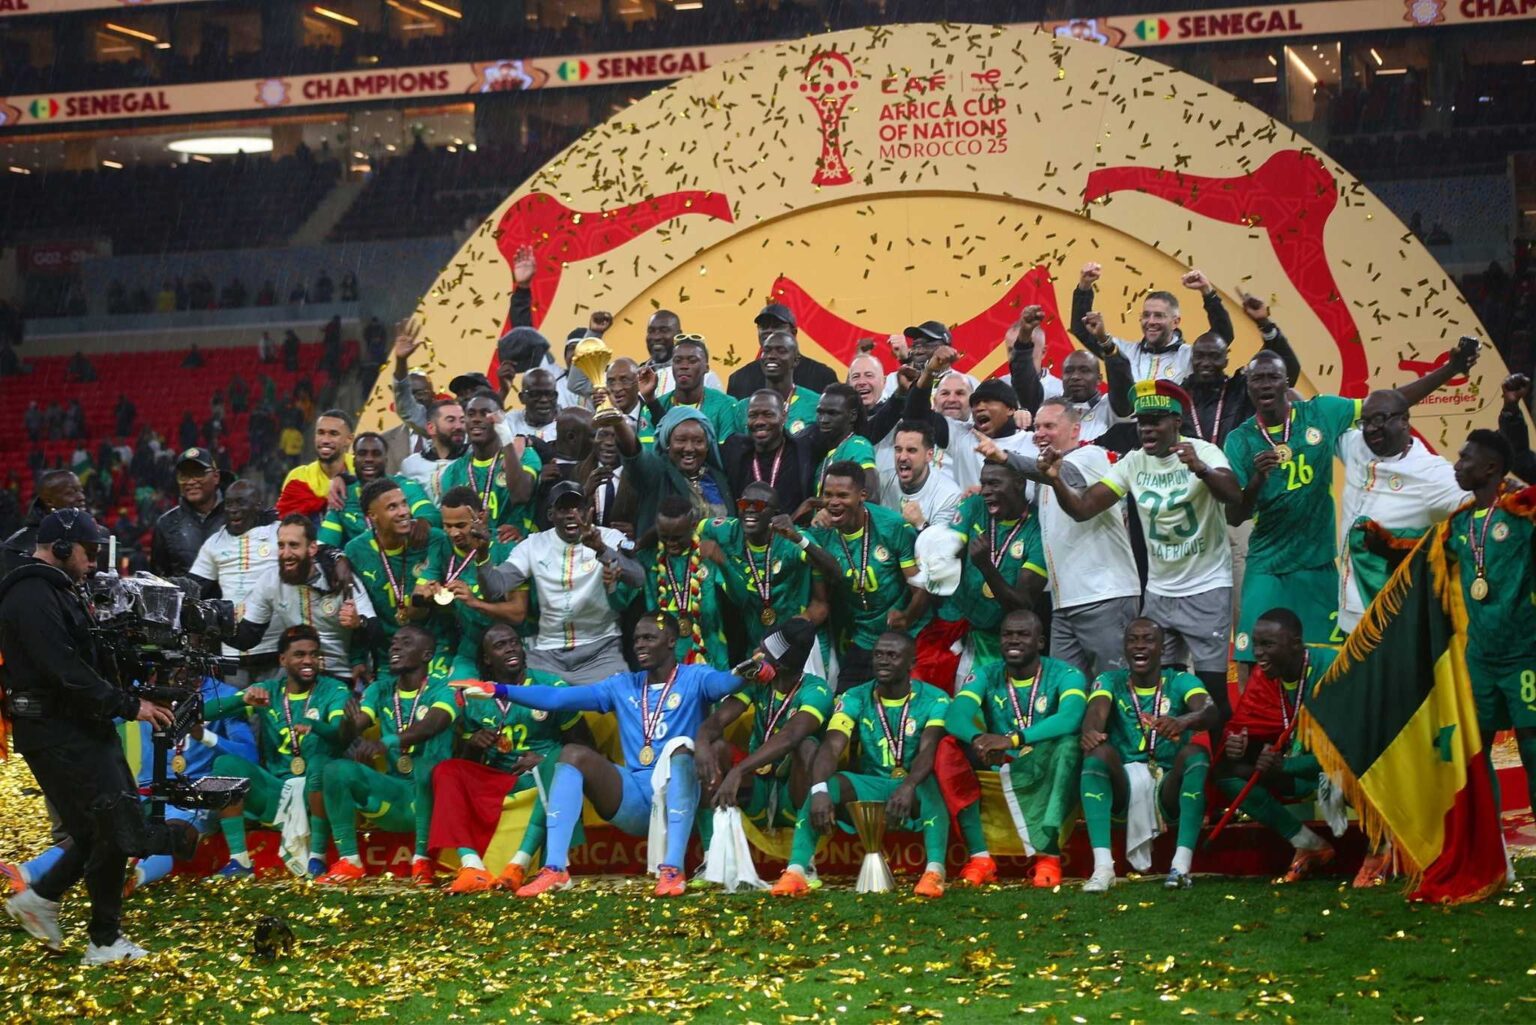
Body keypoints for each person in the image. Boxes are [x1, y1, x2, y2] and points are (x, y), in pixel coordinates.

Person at [452, 613, 750, 897]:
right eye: (636, 639)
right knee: (572, 754)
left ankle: (672, 869)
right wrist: (499, 689)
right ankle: (555, 869)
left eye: (649, 638)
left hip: (683, 794)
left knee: (681, 749)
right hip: (635, 798)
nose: (640, 645)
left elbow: (727, 683)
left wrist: (750, 669)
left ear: (671, 641)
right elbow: (558, 697)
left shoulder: (695, 677)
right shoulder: (622, 685)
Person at [1224, 338, 1477, 666]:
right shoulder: (1239, 441)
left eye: (1273, 377)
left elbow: (1389, 405)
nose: (1265, 384)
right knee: (1253, 656)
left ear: (1287, 382)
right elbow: (1235, 515)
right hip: (1267, 563)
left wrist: (1450, 369)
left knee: (1328, 660)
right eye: (1257, 378)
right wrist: (1258, 479)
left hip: (1318, 563)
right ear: (1247, 386)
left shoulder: (1321, 414)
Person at [1, 509, 174, 964]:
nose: (94, 562)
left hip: (73, 726)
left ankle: (42, 899)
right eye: (89, 551)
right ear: (60, 547)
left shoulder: (57, 590)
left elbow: (84, 662)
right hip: (58, 729)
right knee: (113, 825)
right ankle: (103, 939)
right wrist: (129, 705)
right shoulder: (30, 594)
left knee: (94, 829)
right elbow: (64, 671)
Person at [1042, 381, 1241, 714]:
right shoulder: (1133, 462)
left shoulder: (1203, 451)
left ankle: (1221, 749)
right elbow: (1083, 508)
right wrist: (1055, 480)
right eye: (1142, 422)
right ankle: (1166, 746)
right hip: (1160, 592)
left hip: (1206, 586)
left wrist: (1201, 469)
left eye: (1155, 421)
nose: (1146, 429)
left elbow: (1234, 496)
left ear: (1177, 422)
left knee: (1211, 692)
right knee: (1162, 690)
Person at [5, 669, 257, 898]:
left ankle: (136, 878)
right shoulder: (145, 691)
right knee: (103, 825)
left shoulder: (223, 695)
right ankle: (27, 872)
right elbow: (101, 719)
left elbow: (248, 756)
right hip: (148, 788)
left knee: (174, 830)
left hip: (195, 791)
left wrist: (205, 735)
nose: (171, 670)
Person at [770, 631, 951, 898]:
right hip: (872, 785)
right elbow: (832, 746)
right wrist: (818, 788)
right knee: (827, 785)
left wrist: (908, 785)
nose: (883, 660)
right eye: (878, 654)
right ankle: (797, 871)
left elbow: (929, 751)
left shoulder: (936, 699)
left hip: (913, 785)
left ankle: (934, 873)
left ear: (911, 662)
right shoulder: (854, 697)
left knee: (929, 785)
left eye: (892, 655)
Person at [985, 398, 1140, 679]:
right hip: (1064, 602)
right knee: (1067, 689)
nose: (1040, 433)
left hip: (1104, 595)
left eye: (1049, 426)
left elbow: (1064, 475)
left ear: (1075, 430)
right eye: (1037, 427)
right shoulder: (1044, 478)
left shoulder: (1090, 457)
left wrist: (1005, 457)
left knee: (1115, 686)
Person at [434, 626, 595, 893]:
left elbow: (586, 748)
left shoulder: (551, 687)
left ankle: (518, 865)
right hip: (499, 779)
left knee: (558, 764)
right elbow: (466, 762)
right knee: (447, 771)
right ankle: (472, 867)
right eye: (500, 645)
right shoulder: (474, 697)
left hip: (540, 779)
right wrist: (473, 744)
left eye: (514, 643)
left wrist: (544, 759)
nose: (510, 648)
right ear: (487, 659)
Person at [945, 610, 1086, 888]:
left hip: (1044, 759)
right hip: (1000, 758)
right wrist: (979, 738)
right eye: (1007, 634)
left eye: (1023, 634)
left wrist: (1012, 739)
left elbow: (1071, 717)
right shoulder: (986, 674)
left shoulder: (1066, 674)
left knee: (1070, 746)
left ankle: (1048, 856)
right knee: (947, 749)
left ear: (1040, 642)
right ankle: (980, 858)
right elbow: (955, 716)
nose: (1013, 640)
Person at [203, 626, 355, 879]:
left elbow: (338, 736)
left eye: (314, 654)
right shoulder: (269, 690)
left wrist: (315, 725)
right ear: (283, 659)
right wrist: (242, 700)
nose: (308, 660)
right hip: (277, 792)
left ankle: (317, 858)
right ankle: (240, 861)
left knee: (320, 764)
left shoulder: (334, 690)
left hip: (318, 794)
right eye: (299, 654)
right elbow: (204, 713)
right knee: (225, 765)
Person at [1079, 618, 1219, 892]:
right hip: (1124, 783)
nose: (1140, 646)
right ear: (1124, 647)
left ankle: (1181, 866)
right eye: (1133, 640)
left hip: (1168, 784)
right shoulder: (1109, 680)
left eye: (1148, 640)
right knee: (1097, 751)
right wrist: (1091, 731)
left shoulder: (1181, 680)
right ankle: (1103, 868)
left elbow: (1211, 711)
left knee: (1196, 753)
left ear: (1163, 648)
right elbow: (1096, 712)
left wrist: (1183, 721)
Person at [1214, 609, 1346, 884]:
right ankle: (1307, 843)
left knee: (1359, 764)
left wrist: (1286, 765)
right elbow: (1245, 722)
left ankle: (1381, 847)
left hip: (1344, 770)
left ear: (1296, 644)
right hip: (1300, 768)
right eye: (1255, 644)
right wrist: (1238, 741)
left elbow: (1347, 748)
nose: (1258, 654)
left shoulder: (1332, 667)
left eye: (1268, 645)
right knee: (1227, 770)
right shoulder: (1265, 675)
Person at [316, 626, 457, 885]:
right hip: (395, 794)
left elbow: (432, 725)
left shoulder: (444, 689)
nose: (395, 647)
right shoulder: (380, 689)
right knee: (335, 770)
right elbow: (353, 730)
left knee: (426, 767)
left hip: (435, 797)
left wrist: (387, 742)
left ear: (427, 654)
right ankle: (350, 861)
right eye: (393, 643)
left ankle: (422, 861)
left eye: (405, 642)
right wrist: (347, 723)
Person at [1444, 429, 1536, 815]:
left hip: (1524, 657)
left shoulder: (1522, 514)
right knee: (1476, 753)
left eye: (1465, 458)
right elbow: (1424, 561)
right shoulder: (1459, 523)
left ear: (1491, 468)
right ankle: (1489, 843)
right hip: (1479, 659)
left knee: (1532, 750)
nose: (1457, 465)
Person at [696, 618, 834, 869]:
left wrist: (739, 770)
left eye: (763, 651)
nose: (756, 654)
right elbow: (718, 721)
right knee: (715, 749)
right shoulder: (756, 681)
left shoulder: (817, 691)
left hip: (791, 792)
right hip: (756, 787)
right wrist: (702, 741)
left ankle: (805, 862)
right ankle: (710, 858)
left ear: (779, 664)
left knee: (807, 747)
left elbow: (790, 736)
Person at [485, 481, 643, 684]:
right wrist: (482, 555)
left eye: (578, 508)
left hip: (601, 651)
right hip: (547, 655)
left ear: (588, 510)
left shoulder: (609, 537)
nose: (571, 514)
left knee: (621, 695)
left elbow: (638, 577)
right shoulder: (533, 545)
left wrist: (601, 549)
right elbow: (495, 587)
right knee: (526, 698)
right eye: (563, 509)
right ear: (550, 515)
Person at [1337, 390, 1465, 635]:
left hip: (1394, 620)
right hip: (1349, 618)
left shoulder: (1432, 475)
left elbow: (1480, 503)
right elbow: (1314, 417)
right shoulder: (1356, 447)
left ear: (1405, 420)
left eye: (1379, 419)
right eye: (1365, 421)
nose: (1370, 429)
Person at [920, 460, 1047, 689]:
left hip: (1004, 640)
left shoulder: (1037, 528)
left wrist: (986, 567)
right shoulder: (975, 506)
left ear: (1019, 483)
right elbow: (949, 551)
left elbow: (1022, 606)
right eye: (984, 483)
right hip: (959, 628)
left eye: (994, 483)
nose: (986, 491)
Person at [808, 461, 928, 688]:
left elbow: (920, 588)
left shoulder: (892, 527)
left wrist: (906, 618)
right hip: (864, 639)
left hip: (908, 635)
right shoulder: (821, 535)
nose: (833, 502)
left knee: (903, 700)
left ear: (862, 495)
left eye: (842, 495)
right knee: (844, 700)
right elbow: (820, 602)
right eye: (828, 495)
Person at [234, 515, 375, 690]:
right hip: (296, 676)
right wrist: (220, 625)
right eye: (281, 545)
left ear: (312, 548)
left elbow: (375, 629)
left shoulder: (340, 578)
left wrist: (358, 622)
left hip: (341, 676)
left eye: (294, 545)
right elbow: (248, 637)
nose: (286, 554)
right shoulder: (270, 581)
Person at [340, 478, 455, 683]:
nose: (404, 512)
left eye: (404, 503)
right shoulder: (355, 551)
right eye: (392, 507)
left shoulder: (433, 539)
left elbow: (422, 606)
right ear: (372, 515)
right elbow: (359, 606)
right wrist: (357, 659)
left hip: (435, 647)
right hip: (389, 656)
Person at [699, 482, 830, 653]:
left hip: (797, 645)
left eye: (759, 505)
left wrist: (799, 537)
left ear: (774, 513)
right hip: (755, 645)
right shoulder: (727, 530)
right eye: (744, 504)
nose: (749, 510)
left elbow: (831, 573)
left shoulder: (792, 540)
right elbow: (685, 526)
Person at [903, 347, 1037, 492]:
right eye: (976, 403)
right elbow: (914, 415)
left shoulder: (1033, 442)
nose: (980, 407)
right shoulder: (960, 436)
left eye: (988, 401)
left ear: (1010, 409)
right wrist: (929, 372)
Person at [1071, 264, 1234, 383]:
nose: (1151, 322)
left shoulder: (1189, 355)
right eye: (1146, 315)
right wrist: (1084, 287)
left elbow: (1222, 336)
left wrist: (1207, 292)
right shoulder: (1124, 352)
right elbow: (1082, 329)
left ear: (1175, 322)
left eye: (1159, 316)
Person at [418, 487, 517, 682]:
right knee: (457, 688)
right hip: (470, 646)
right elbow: (417, 598)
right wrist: (426, 596)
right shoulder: (442, 545)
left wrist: (474, 602)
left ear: (480, 517)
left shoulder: (506, 548)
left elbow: (518, 613)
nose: (453, 533)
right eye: (447, 526)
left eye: (461, 525)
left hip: (506, 644)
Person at [188, 480, 282, 682]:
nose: (233, 509)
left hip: (275, 649)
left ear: (258, 504)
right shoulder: (215, 542)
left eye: (240, 502)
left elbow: (314, 551)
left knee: (273, 703)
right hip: (233, 654)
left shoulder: (279, 533)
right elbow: (193, 588)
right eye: (229, 503)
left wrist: (336, 558)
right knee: (234, 702)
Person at [634, 496, 729, 666]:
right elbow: (619, 601)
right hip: (665, 664)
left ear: (692, 526)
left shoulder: (709, 553)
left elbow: (740, 598)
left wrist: (725, 565)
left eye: (678, 537)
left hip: (712, 658)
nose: (671, 543)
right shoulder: (648, 558)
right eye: (665, 537)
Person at [614, 403, 734, 535]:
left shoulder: (719, 478)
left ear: (707, 445)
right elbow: (633, 453)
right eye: (681, 440)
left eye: (698, 441)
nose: (689, 448)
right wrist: (616, 419)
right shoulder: (657, 472)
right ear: (667, 443)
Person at [436, 392, 542, 541]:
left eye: (485, 413)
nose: (476, 419)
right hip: (471, 548)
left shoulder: (525, 455)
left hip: (515, 546)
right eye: (470, 414)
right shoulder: (452, 472)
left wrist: (506, 438)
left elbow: (520, 495)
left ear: (501, 419)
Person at [318, 433, 441, 549]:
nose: (369, 459)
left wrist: (424, 521)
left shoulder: (404, 486)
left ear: (385, 460)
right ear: (354, 460)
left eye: (376, 454)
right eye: (362, 453)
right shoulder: (343, 496)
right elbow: (325, 543)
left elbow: (430, 514)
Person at [720, 389, 822, 518]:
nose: (759, 421)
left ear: (784, 416)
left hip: (794, 530)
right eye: (753, 415)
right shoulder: (735, 452)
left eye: (768, 415)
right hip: (747, 529)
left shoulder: (803, 450)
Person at [725, 303, 838, 399]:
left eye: (777, 326)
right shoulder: (739, 379)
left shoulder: (822, 376)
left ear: (793, 332)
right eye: (764, 326)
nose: (769, 330)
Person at [151, 447, 229, 578]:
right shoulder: (166, 524)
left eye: (198, 473)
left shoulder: (235, 518)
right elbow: (158, 579)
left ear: (216, 477)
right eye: (184, 476)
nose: (191, 482)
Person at [734, 332, 820, 436]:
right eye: (766, 350)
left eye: (781, 351)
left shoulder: (815, 404)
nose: (771, 356)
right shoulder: (743, 408)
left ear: (796, 360)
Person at [1, 469, 84, 577]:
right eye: (70, 493)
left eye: (81, 491)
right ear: (49, 501)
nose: (81, 497)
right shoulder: (18, 547)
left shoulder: (98, 535)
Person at [881, 420, 962, 531]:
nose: (902, 457)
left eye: (911, 450)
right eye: (898, 450)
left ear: (929, 455)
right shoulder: (882, 482)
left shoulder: (949, 495)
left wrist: (920, 524)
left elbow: (942, 541)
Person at [276, 410, 355, 520]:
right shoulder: (297, 478)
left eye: (333, 434)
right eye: (320, 433)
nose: (325, 440)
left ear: (349, 439)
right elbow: (285, 524)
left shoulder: (362, 471)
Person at [811, 384, 880, 498]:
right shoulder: (826, 454)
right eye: (820, 412)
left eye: (832, 413)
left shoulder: (857, 447)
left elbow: (871, 496)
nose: (823, 420)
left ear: (852, 416)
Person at [642, 310, 723, 396]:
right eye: (651, 331)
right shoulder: (637, 375)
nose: (656, 337)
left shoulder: (705, 376)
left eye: (664, 330)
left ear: (678, 334)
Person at [399, 399, 468, 498]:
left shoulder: (473, 457)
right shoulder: (411, 465)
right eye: (451, 420)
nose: (459, 426)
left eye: (462, 421)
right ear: (431, 428)